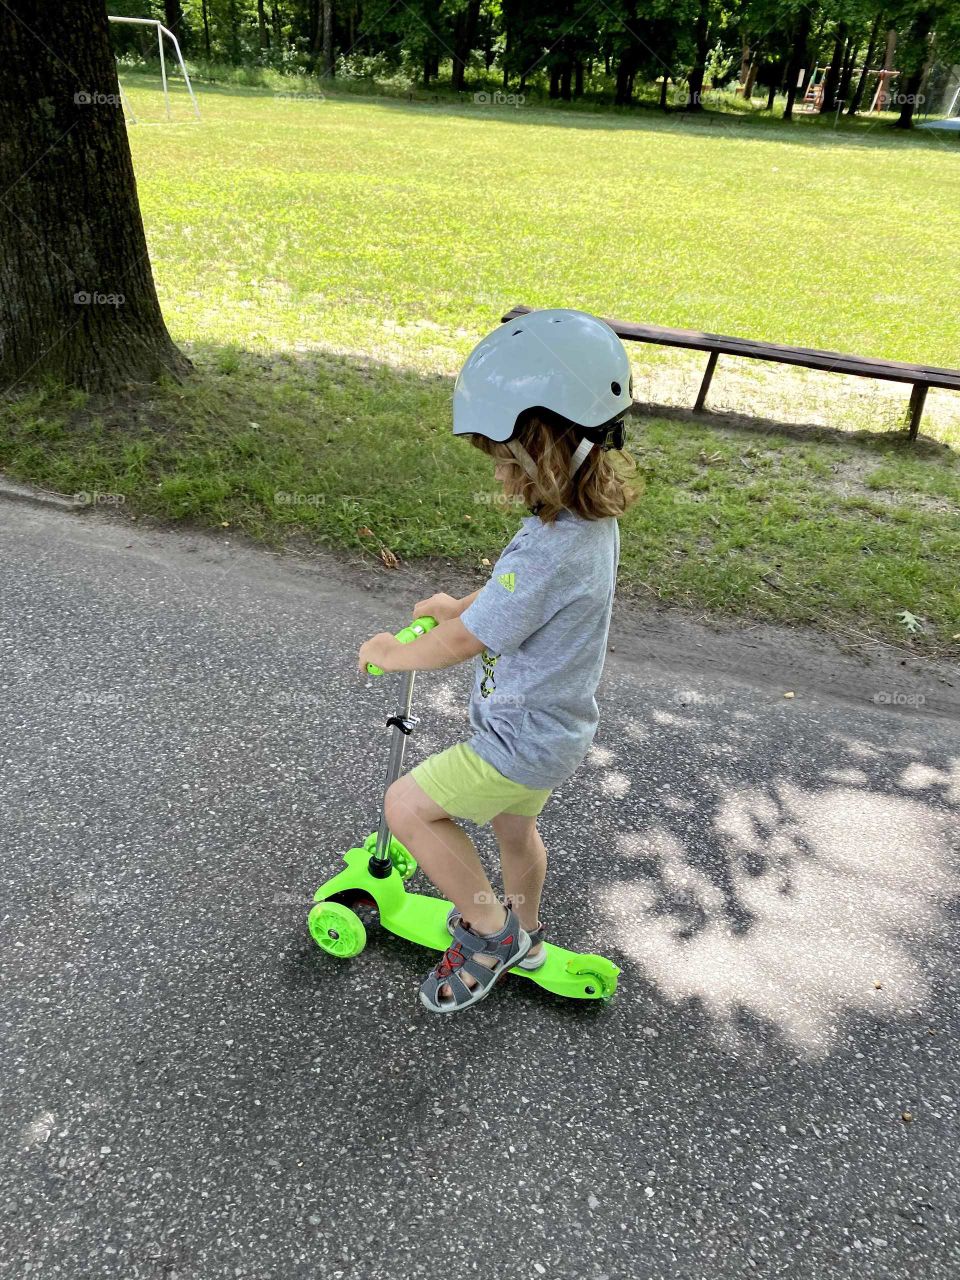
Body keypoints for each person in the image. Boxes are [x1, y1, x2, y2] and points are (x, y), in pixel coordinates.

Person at [357, 308, 637, 1014]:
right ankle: (529, 933)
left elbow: (462, 645)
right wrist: (464, 603)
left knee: (407, 807)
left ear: (542, 449)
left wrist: (395, 653)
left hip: (517, 739)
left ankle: (487, 931)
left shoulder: (550, 547)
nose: (502, 476)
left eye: (505, 460)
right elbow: (509, 602)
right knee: (516, 831)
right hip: (555, 733)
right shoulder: (581, 526)